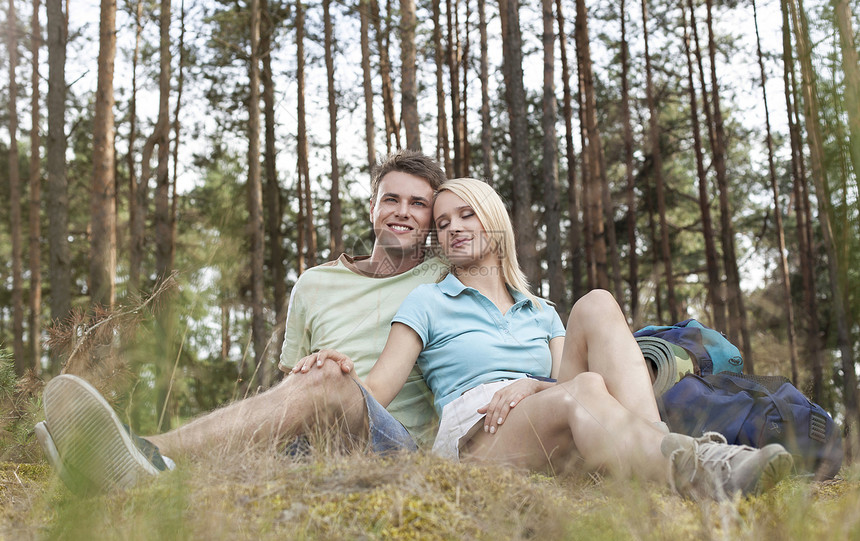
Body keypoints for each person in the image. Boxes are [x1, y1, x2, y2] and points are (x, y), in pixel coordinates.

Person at [294, 178, 793, 501]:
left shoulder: (541, 311)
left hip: (550, 410)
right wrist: (333, 372)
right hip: (479, 437)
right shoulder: (428, 301)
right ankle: (701, 469)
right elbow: (378, 390)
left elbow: (563, 383)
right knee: (580, 391)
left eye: (467, 214)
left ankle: (664, 459)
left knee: (596, 303)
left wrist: (533, 386)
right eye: (443, 224)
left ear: (493, 219)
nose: (454, 228)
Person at [37, 149, 448, 494]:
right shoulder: (314, 283)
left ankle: (148, 449)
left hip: (392, 443)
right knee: (227, 474)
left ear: (432, 218)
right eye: (391, 199)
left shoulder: (443, 277)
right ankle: (102, 474)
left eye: (418, 204)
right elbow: (292, 392)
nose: (403, 212)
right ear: (372, 206)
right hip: (311, 446)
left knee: (327, 373)